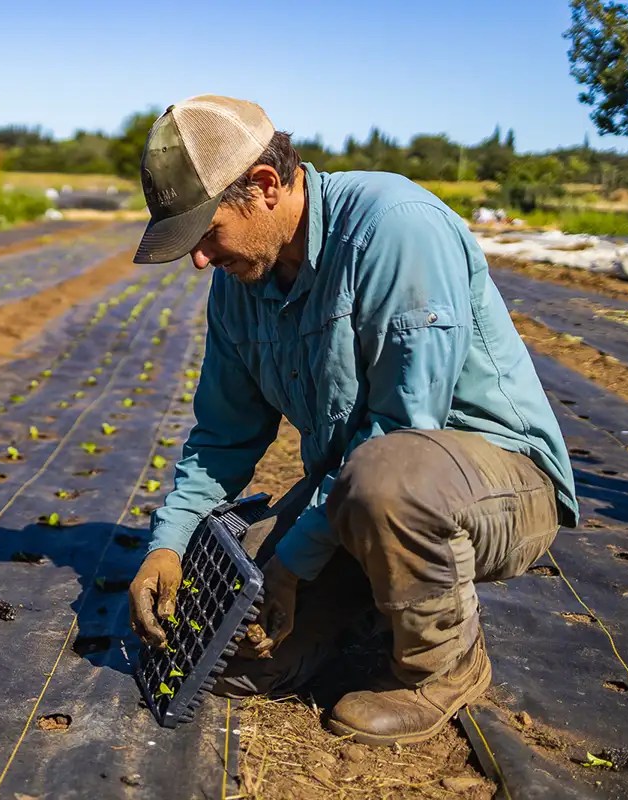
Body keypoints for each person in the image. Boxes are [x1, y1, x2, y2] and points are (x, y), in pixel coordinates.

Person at [126, 95, 578, 747]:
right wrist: (166, 544)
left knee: (385, 481)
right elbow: (223, 436)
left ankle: (442, 670)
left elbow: (404, 424)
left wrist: (293, 564)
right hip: (351, 495)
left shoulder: (396, 228)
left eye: (206, 232)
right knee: (228, 648)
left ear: (264, 185)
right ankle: (377, 601)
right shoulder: (239, 285)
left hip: (493, 487)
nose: (198, 259)